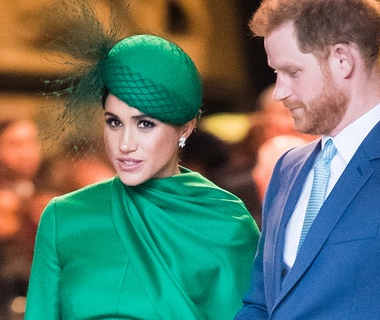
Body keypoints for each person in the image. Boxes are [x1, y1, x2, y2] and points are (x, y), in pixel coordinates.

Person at [236, 0, 380, 319]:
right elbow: (261, 303)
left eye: (291, 72)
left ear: (342, 60)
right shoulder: (288, 166)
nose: (279, 91)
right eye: (276, 72)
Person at [24, 30, 260, 319]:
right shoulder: (64, 217)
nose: (125, 144)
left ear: (185, 128)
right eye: (114, 122)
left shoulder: (227, 224)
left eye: (145, 124)